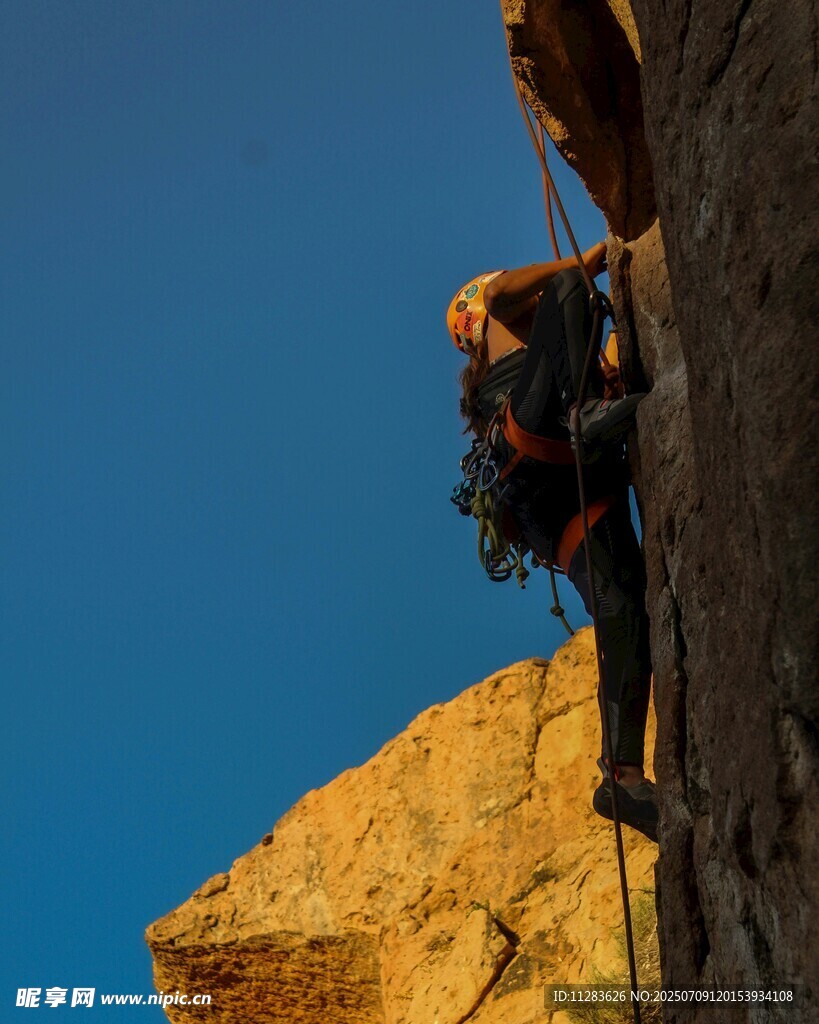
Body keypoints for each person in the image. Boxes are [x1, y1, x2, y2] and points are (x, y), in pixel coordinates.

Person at [447, 243, 658, 843]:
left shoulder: (551, 341)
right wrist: (587, 262)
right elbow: (499, 294)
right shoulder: (506, 322)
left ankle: (621, 777)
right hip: (548, 441)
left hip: (554, 496)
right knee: (568, 291)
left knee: (625, 610)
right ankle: (586, 413)